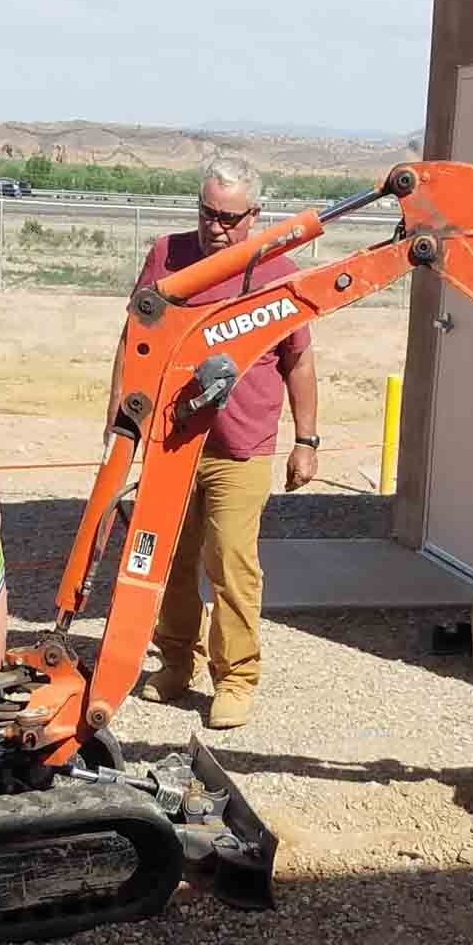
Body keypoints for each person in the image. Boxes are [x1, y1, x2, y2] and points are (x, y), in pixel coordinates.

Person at [105, 155, 319, 729]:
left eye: (229, 217)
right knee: (169, 557)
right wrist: (120, 424)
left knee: (230, 562)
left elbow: (297, 361)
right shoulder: (167, 257)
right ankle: (176, 662)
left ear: (255, 216)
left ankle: (237, 678)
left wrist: (307, 439)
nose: (216, 226)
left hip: (239, 447)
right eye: (207, 213)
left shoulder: (279, 274)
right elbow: (134, 340)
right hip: (174, 443)